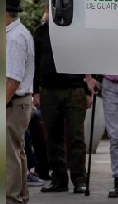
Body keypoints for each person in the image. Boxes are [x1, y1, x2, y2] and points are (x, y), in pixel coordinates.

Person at [33, 16, 94, 194]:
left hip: (74, 88)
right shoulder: (41, 32)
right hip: (48, 89)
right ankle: (58, 179)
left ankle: (79, 179)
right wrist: (35, 90)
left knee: (76, 136)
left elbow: (87, 57)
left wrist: (88, 89)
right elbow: (35, 63)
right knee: (52, 136)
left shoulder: (78, 30)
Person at [6, 0, 35, 204]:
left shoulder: (14, 38)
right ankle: (20, 197)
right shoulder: (18, 33)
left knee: (9, 154)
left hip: (12, 102)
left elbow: (12, 80)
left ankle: (12, 202)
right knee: (18, 152)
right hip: (19, 102)